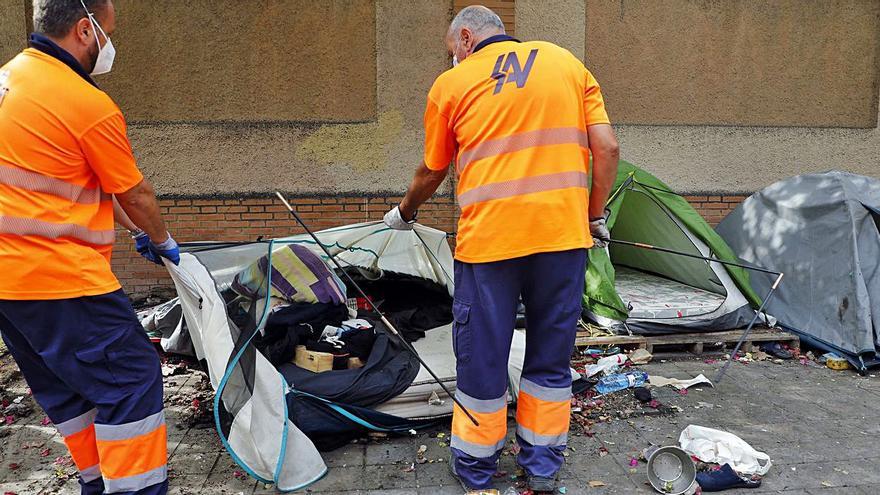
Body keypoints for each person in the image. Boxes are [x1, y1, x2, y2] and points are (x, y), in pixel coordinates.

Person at [384, 5, 619, 494]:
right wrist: (594, 216)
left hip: (490, 246)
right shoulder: (566, 63)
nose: (451, 58)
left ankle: (475, 468)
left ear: (466, 38)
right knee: (551, 359)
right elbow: (608, 148)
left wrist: (404, 212)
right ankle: (542, 467)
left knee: (482, 357)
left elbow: (432, 170)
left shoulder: (452, 85)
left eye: (452, 50)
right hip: (562, 241)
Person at [0, 1, 178, 493]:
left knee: (68, 388)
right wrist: (162, 239)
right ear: (85, 29)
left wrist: (139, 232)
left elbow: (91, 187)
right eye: (108, 32)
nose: (109, 45)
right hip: (61, 278)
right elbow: (135, 193)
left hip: (11, 289)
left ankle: (97, 481)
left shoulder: (9, 80)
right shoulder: (86, 104)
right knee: (132, 378)